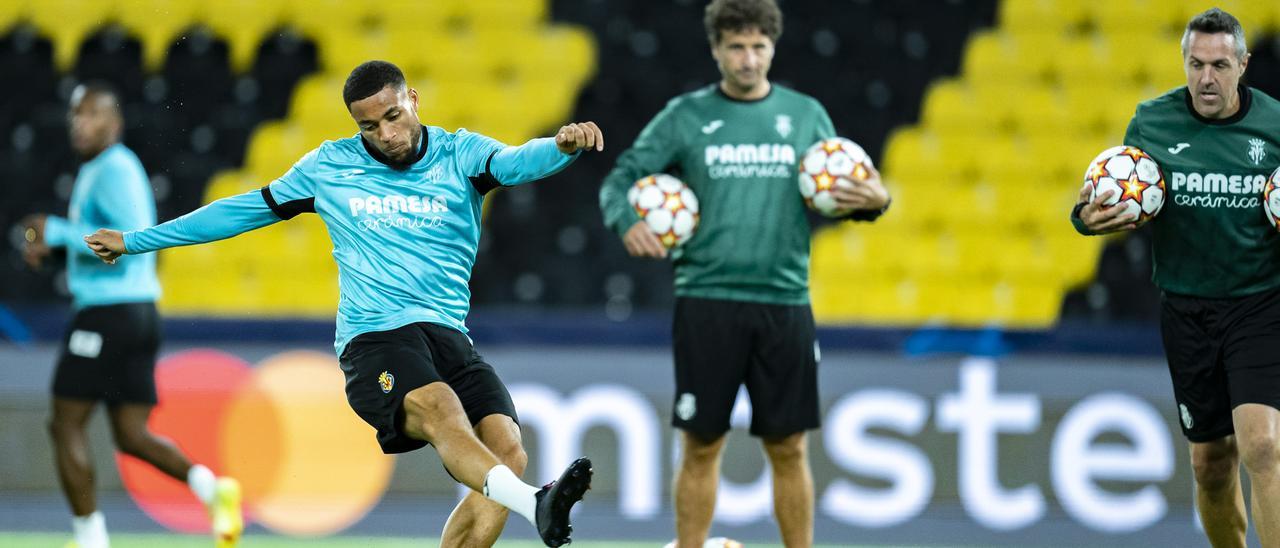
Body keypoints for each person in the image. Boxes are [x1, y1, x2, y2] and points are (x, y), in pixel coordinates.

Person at [84, 60, 598, 548]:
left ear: (413, 100)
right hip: (374, 339)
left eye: (394, 116)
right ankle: (537, 505)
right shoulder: (329, 166)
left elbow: (517, 160)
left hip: (447, 335)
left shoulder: (459, 154)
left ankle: (533, 501)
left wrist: (562, 146)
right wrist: (137, 240)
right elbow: (239, 210)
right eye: (370, 126)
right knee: (440, 408)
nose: (386, 134)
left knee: (507, 449)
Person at [598, 1, 890, 546]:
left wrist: (876, 200)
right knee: (702, 445)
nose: (748, 58)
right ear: (716, 49)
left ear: (773, 48)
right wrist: (627, 219)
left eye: (759, 47)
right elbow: (620, 180)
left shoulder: (805, 116)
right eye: (736, 46)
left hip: (785, 301)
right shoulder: (685, 116)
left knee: (789, 446)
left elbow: (845, 194)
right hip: (706, 300)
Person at [1071, 8, 1280, 547]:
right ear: (1183, 62)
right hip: (1186, 308)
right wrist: (1085, 219)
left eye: (1219, 65)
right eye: (1195, 64)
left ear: (1243, 64)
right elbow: (1115, 198)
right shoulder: (1151, 121)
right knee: (1212, 463)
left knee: (1262, 445)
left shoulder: (1277, 126)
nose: (1206, 78)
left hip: (1259, 303)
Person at [18, 82, 242, 548]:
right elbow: (103, 248)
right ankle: (211, 488)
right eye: (76, 114)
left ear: (114, 123)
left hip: (107, 314)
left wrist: (54, 230)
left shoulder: (113, 168)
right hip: (137, 312)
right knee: (132, 434)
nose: (81, 122)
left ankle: (90, 537)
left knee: (65, 423)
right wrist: (57, 252)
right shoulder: (105, 168)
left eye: (93, 114)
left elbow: (129, 239)